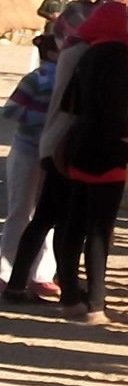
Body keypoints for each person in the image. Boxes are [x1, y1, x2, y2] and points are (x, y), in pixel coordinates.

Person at [46, 0, 128, 325]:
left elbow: (74, 103)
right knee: (99, 230)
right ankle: (96, 306)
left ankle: (70, 299)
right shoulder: (118, 56)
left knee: (73, 225)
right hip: (107, 151)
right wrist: (125, 144)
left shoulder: (86, 54)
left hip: (78, 147)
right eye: (126, 19)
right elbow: (115, 110)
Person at [0, 35, 62, 301]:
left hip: (53, 153)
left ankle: (42, 275)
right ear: (50, 52)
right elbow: (11, 111)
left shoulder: (71, 77)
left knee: (47, 215)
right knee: (20, 212)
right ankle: (6, 272)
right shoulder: (36, 79)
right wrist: (40, 121)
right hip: (27, 150)